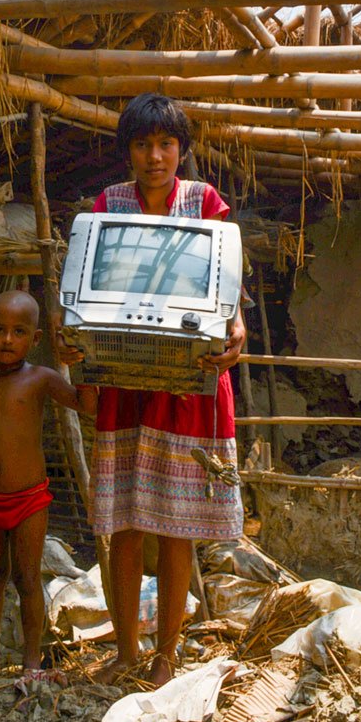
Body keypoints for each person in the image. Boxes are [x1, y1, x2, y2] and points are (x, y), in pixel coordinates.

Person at [60, 93, 246, 687]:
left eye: (166, 144)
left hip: (188, 386)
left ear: (182, 151)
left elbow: (223, 287)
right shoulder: (108, 206)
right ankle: (125, 653)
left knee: (176, 525)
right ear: (128, 153)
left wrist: (234, 326)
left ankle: (166, 654)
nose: (155, 155)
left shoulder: (205, 203)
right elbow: (89, 289)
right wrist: (74, 337)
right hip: (125, 380)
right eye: (142, 144)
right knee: (125, 524)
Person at [0, 289, 98, 681]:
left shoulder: (43, 378)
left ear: (36, 339)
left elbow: (85, 404)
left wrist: (83, 362)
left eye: (19, 332)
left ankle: (31, 661)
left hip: (29, 499)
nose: (8, 340)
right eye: (0, 330)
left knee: (27, 579)